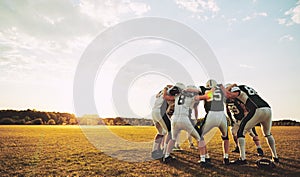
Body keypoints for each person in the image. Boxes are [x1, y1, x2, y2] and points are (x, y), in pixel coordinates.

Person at [223, 84, 279, 165]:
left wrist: (226, 88)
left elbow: (231, 94)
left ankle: (242, 159)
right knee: (268, 134)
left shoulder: (236, 88)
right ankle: (275, 157)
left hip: (256, 109)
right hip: (267, 109)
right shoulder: (246, 87)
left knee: (240, 133)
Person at [163, 84, 207, 163]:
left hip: (174, 119)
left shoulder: (177, 96)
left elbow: (166, 97)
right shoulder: (192, 97)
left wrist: (165, 89)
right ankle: (203, 159)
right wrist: (210, 92)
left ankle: (166, 156)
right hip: (185, 118)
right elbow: (207, 97)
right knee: (199, 138)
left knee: (173, 138)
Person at [197, 79, 230, 166]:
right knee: (225, 137)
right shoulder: (221, 90)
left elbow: (198, 95)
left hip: (211, 114)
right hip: (222, 115)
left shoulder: (203, 89)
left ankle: (204, 158)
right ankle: (226, 158)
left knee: (200, 136)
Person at [151, 85, 173, 159]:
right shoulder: (167, 92)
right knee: (171, 132)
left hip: (154, 112)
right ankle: (166, 153)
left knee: (161, 133)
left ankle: (155, 151)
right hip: (160, 112)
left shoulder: (160, 92)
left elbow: (158, 96)